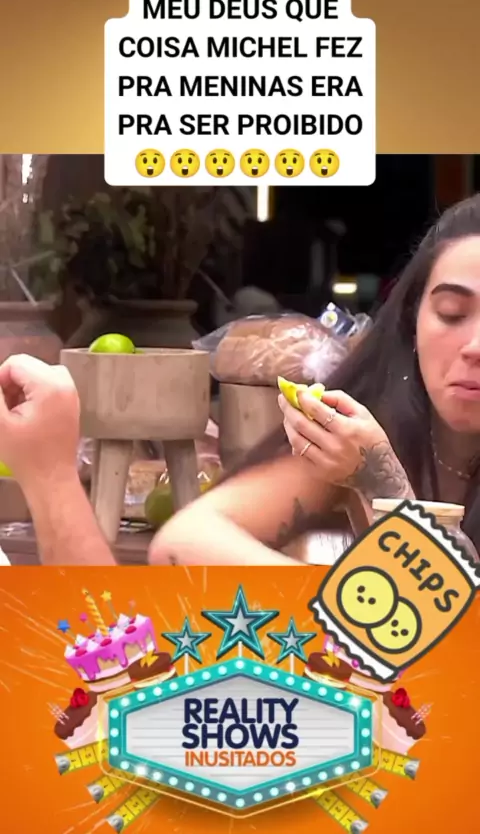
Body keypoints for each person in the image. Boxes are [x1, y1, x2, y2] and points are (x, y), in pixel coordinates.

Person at [0, 194, 479, 565]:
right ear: (412, 320)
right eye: (451, 313)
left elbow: (455, 625)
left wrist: (385, 485)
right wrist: (333, 604)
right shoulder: (371, 429)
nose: (474, 346)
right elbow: (184, 542)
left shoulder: (371, 455)